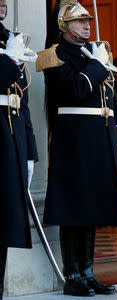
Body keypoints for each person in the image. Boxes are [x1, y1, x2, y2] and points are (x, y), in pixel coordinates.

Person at [36, 1, 117, 296]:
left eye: (88, 21)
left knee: (92, 208)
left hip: (100, 141)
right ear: (64, 26)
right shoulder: (56, 55)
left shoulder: (94, 55)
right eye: (79, 21)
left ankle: (88, 272)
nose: (87, 26)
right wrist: (98, 65)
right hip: (73, 141)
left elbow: (112, 104)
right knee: (73, 209)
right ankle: (72, 274)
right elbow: (76, 88)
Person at [0, 0, 39, 298]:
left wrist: (29, 150)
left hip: (10, 139)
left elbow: (20, 101)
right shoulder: (8, 48)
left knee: (4, 224)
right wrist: (8, 63)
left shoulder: (7, 39)